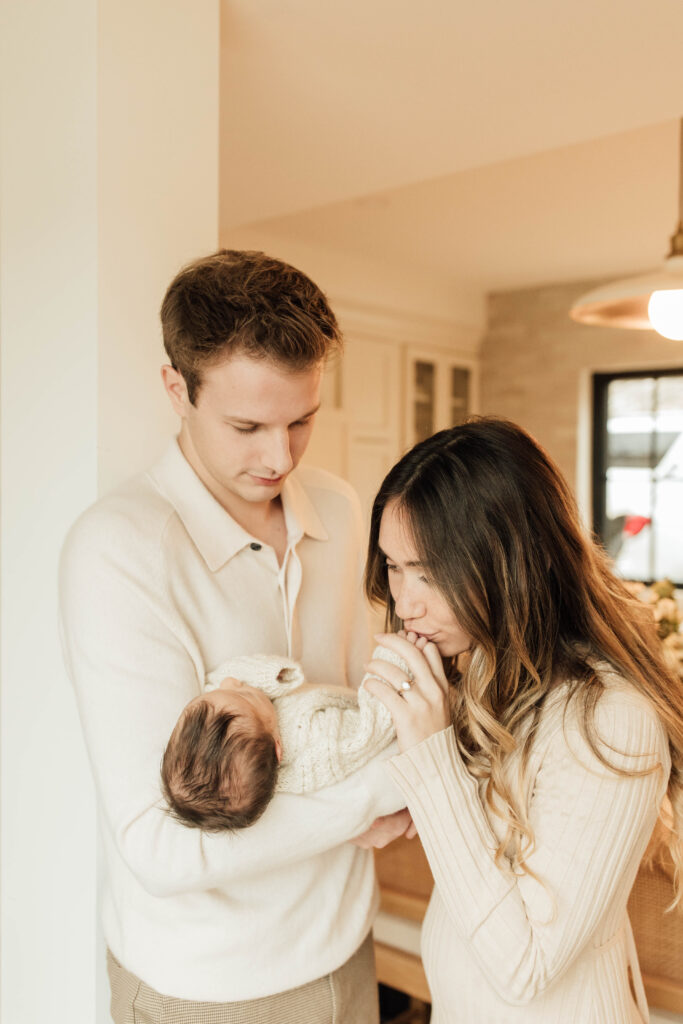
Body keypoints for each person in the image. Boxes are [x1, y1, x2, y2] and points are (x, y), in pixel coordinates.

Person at [58, 250, 407, 1024]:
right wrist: (384, 793)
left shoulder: (341, 510)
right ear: (176, 389)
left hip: (347, 947)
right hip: (205, 988)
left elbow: (367, 712)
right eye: (247, 426)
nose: (278, 457)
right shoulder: (119, 550)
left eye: (301, 421)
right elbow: (160, 846)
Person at [362, 417, 683, 1024]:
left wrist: (434, 767)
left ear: (509, 562)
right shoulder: (488, 677)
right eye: (394, 566)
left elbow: (524, 967)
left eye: (428, 571)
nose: (404, 602)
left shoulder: (613, 719)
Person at [161, 646, 409, 831]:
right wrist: (396, 658)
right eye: (245, 694)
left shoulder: (241, 737)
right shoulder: (317, 739)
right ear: (278, 749)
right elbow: (372, 727)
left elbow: (222, 683)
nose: (231, 681)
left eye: (217, 692)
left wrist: (261, 682)